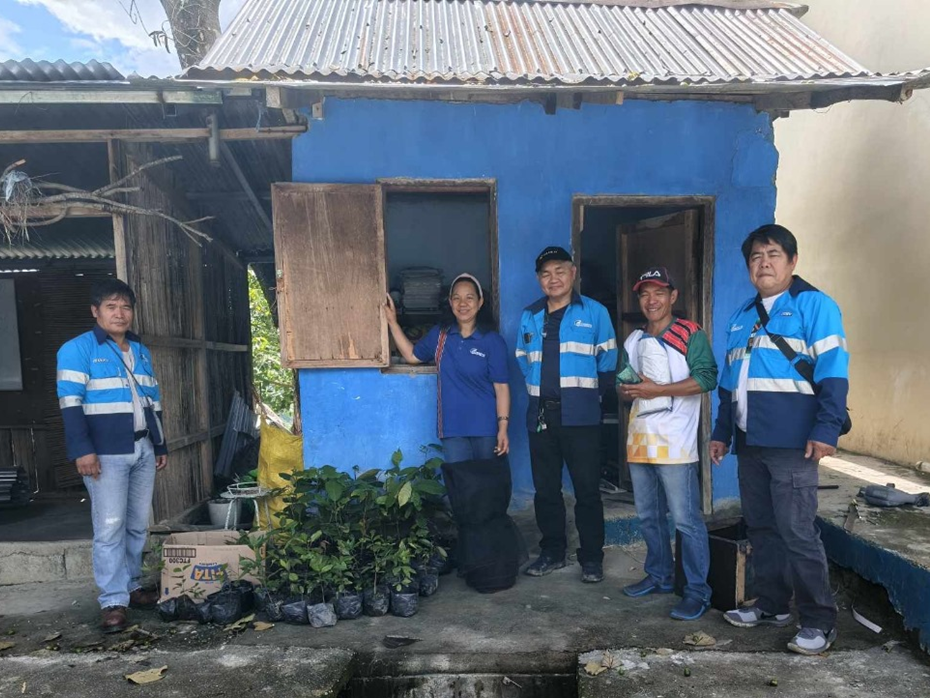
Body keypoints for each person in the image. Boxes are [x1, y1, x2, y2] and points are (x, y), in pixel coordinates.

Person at [710, 224, 849, 655]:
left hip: (794, 442)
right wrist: (721, 434)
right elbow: (729, 384)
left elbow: (833, 373)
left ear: (792, 261)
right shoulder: (742, 315)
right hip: (750, 440)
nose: (764, 263)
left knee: (797, 531)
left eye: (773, 254)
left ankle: (819, 621)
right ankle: (772, 605)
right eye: (756, 256)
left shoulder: (815, 305)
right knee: (761, 527)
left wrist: (826, 430)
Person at [57, 279, 168, 633]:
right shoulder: (77, 349)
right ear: (96, 311)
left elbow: (153, 402)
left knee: (136, 524)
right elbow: (70, 404)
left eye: (125, 307)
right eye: (111, 306)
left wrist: (159, 445)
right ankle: (113, 601)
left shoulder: (140, 350)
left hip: (143, 448)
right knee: (109, 527)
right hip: (104, 454)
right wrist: (82, 451)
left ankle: (132, 586)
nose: (120, 313)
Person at [617, 267, 717, 621]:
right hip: (640, 440)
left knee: (686, 520)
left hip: (675, 443)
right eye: (644, 294)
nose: (651, 300)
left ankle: (697, 591)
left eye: (659, 292)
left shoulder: (689, 333)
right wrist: (628, 390)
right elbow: (622, 388)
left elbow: (707, 378)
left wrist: (656, 390)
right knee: (648, 516)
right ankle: (659, 575)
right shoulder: (633, 340)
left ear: (673, 296)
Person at [515, 246, 618, 583]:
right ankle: (552, 552)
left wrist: (589, 397)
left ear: (573, 273)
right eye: (546, 273)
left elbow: (608, 362)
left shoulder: (595, 312)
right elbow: (523, 359)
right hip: (541, 415)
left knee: (587, 490)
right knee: (546, 490)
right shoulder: (530, 316)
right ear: (538, 279)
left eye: (560, 271)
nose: (553, 278)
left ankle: (592, 559)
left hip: (582, 416)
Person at [384, 273, 510, 463]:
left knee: (489, 480)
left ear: (480, 302)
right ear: (450, 303)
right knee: (459, 480)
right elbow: (412, 356)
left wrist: (503, 428)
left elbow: (501, 388)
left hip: (486, 428)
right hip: (452, 428)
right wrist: (393, 322)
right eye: (457, 298)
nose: (463, 303)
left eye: (469, 298)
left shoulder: (493, 341)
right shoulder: (440, 335)